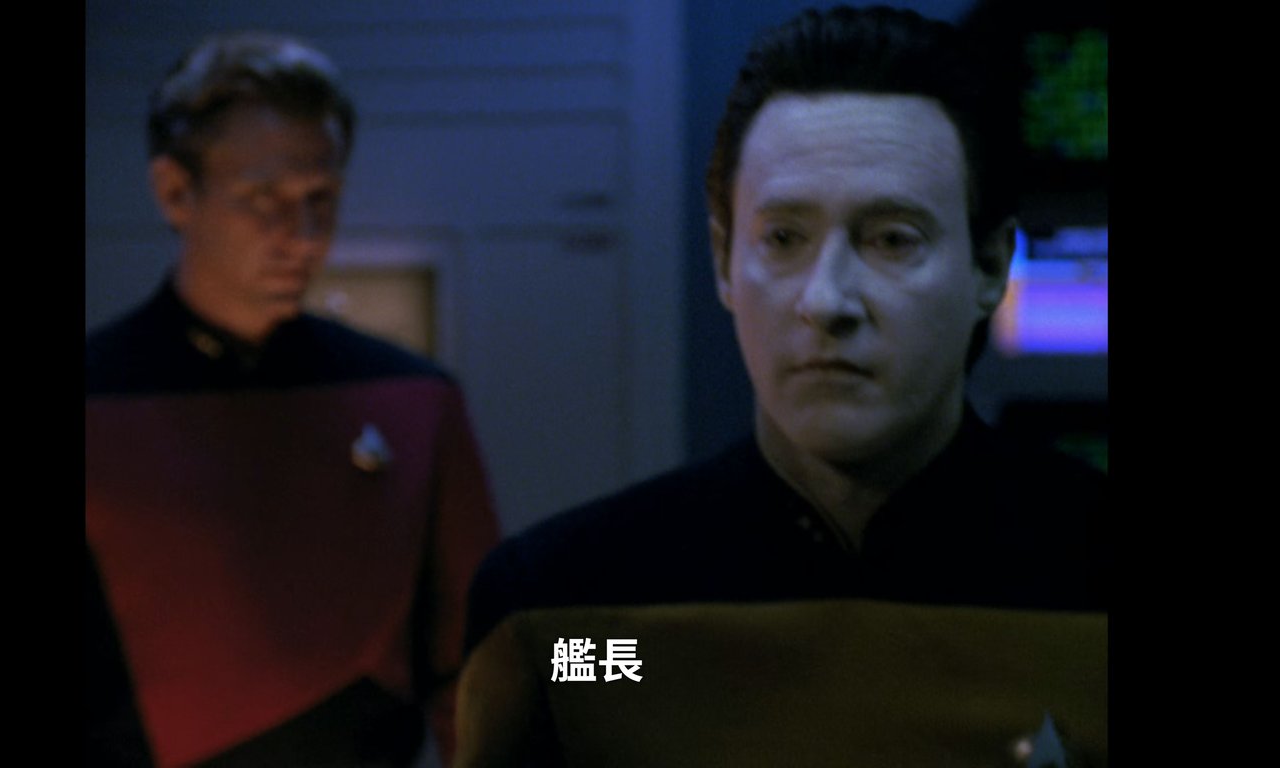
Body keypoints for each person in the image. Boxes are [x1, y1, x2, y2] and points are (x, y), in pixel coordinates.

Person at [456, 6, 1106, 766]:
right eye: (784, 239)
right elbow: (600, 686)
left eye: (893, 239)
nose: (827, 300)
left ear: (990, 267)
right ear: (724, 261)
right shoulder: (569, 616)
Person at [85, 32, 500, 767]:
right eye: (261, 199)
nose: (301, 237)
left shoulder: (413, 401)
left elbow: (478, 664)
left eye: (320, 199)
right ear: (175, 192)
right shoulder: (99, 401)